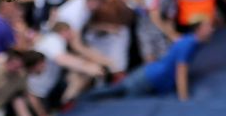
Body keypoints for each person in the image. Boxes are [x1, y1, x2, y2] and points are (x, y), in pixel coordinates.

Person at [86, 18, 216, 101]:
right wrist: (184, 99)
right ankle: (84, 99)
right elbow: (180, 71)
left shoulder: (191, 42)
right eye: (208, 26)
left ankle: (87, 97)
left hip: (147, 74)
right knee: (116, 98)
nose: (212, 29)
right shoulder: (188, 44)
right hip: (146, 79)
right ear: (199, 29)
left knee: (114, 92)